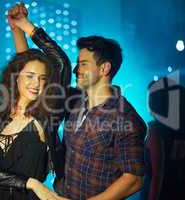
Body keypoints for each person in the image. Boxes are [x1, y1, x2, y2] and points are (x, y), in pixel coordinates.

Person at [11, 3, 147, 200]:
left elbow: (133, 180)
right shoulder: (74, 99)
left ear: (104, 69)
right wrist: (18, 30)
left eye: (83, 64)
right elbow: (29, 72)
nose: (76, 70)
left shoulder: (125, 117)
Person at [0, 5, 71, 200]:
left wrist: (27, 26)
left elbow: (61, 63)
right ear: (15, 78)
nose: (36, 83)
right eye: (30, 76)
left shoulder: (46, 115)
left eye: (42, 78)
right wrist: (31, 183)